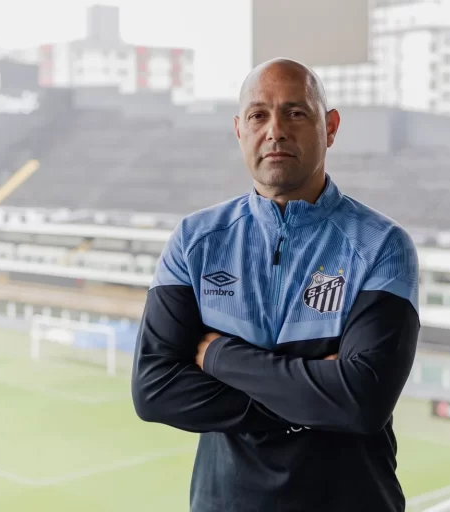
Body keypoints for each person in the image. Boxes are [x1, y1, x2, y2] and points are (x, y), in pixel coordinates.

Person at [131, 58, 421, 512]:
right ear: (239, 130)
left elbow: (362, 401)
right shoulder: (195, 242)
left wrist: (220, 356)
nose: (275, 130)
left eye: (296, 113)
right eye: (258, 115)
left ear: (331, 126)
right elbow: (154, 390)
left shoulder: (381, 246)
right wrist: (316, 395)